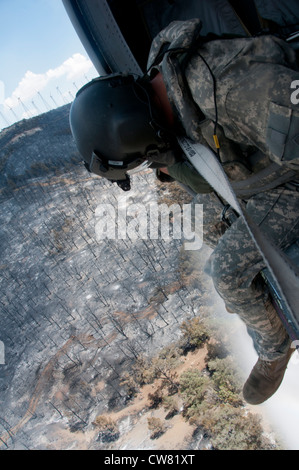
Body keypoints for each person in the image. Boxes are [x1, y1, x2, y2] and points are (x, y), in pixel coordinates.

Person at [70, 19, 299, 404]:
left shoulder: (223, 89)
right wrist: (178, 158)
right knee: (204, 218)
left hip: (290, 178)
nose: (154, 166)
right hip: (265, 170)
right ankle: (271, 304)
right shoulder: (171, 91)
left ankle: (276, 349)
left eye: (144, 160)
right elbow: (216, 165)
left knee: (227, 271)